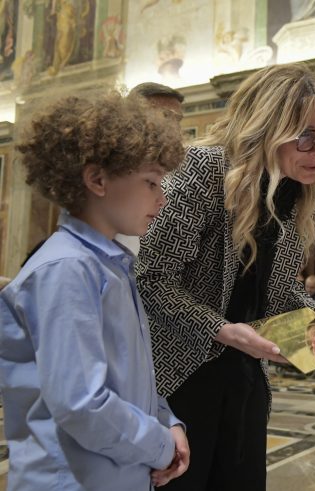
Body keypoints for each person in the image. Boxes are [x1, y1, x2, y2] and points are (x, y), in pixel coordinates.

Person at [136, 63, 315, 490]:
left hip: (244, 377)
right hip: (180, 379)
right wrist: (221, 330)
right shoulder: (204, 169)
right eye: (305, 135)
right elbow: (150, 279)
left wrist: (314, 312)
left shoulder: (294, 189)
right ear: (268, 128)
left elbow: (274, 288)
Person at [0, 92, 189, 489]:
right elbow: (81, 403)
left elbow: (131, 378)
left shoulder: (110, 265)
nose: (162, 198)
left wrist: (167, 421)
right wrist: (159, 446)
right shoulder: (67, 269)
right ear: (98, 180)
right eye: (151, 182)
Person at [116, 82, 185, 255]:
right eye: (166, 116)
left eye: (178, 120)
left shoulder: (176, 169)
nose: (175, 128)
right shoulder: (110, 166)